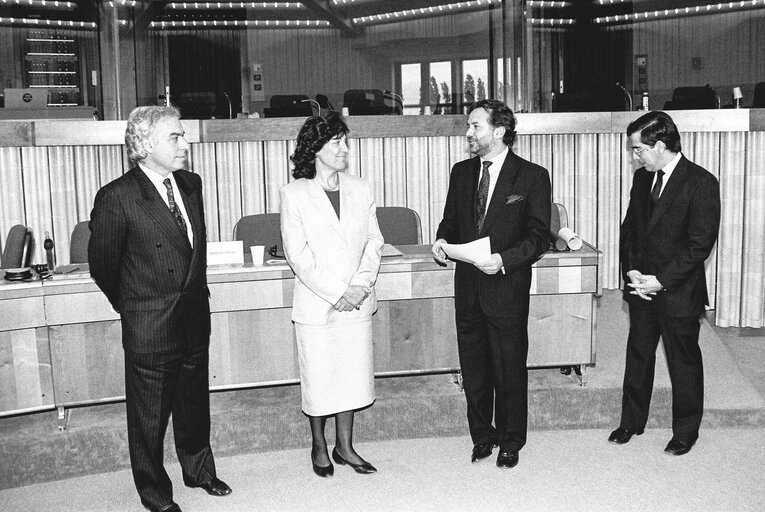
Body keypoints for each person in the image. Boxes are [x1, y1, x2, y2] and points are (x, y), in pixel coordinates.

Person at [88, 106, 231, 512]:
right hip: (150, 324)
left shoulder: (190, 184)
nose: (186, 144)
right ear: (146, 145)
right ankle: (155, 495)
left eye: (183, 135)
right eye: (175, 137)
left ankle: (199, 470)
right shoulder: (117, 196)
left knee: (193, 405)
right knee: (148, 420)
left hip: (192, 318)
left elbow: (192, 252)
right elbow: (103, 265)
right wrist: (135, 307)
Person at [431, 99, 551, 469]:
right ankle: (482, 436)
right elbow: (451, 220)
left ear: (498, 131)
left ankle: (511, 440)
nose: (468, 133)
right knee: (475, 367)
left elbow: (538, 237)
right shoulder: (461, 172)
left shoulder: (531, 176)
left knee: (509, 366)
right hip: (467, 286)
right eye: (469, 126)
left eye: (475, 126)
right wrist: (440, 240)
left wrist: (503, 260)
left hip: (506, 286)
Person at [609, 110, 720, 456]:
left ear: (660, 145)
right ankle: (632, 421)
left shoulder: (701, 182)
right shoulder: (643, 179)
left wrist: (662, 280)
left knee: (683, 361)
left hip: (678, 291)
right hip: (641, 286)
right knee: (638, 355)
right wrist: (631, 271)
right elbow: (630, 230)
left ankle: (686, 430)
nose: (634, 157)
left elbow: (700, 243)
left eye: (638, 149)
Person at [280, 112, 384, 478]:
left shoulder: (361, 188)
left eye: (345, 141)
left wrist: (360, 285)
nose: (344, 148)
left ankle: (345, 446)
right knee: (320, 377)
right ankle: (319, 446)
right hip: (318, 302)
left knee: (352, 375)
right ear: (316, 149)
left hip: (357, 299)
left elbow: (374, 241)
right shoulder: (294, 194)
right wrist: (340, 292)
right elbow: (298, 256)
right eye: (336, 142)